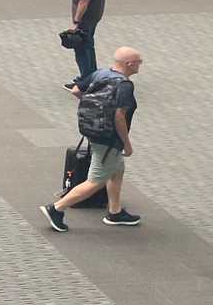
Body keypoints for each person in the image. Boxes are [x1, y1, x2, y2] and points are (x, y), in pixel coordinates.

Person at [42, 46, 144, 230]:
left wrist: (93, 107)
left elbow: (75, 90)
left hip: (93, 130)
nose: (140, 64)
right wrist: (126, 144)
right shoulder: (124, 85)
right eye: (139, 61)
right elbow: (119, 116)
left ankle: (115, 211)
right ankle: (56, 208)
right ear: (130, 64)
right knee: (95, 181)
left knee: (117, 169)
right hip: (108, 138)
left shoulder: (100, 74)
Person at [65, 0, 113, 94]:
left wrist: (76, 21)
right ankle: (92, 77)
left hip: (86, 18)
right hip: (95, 15)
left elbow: (84, 1)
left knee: (82, 49)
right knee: (88, 46)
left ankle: (86, 82)